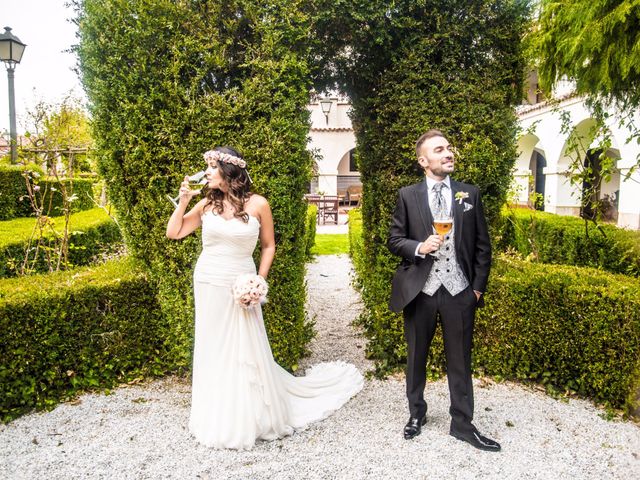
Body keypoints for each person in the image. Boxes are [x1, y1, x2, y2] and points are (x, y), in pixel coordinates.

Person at [166, 146, 363, 450]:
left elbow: (269, 246)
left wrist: (258, 280)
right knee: (212, 344)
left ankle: (249, 414)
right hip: (208, 280)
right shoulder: (206, 204)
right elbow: (174, 233)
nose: (206, 173)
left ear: (229, 171)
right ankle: (215, 412)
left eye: (211, 167)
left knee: (245, 347)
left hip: (241, 281)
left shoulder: (259, 204)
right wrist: (182, 202)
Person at [387, 130, 500, 452]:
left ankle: (463, 424)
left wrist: (476, 290)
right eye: (440, 150)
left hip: (459, 291)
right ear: (424, 161)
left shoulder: (469, 194)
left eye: (449, 148)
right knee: (416, 358)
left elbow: (482, 248)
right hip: (421, 291)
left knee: (460, 361)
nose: (448, 153)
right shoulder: (408, 196)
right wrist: (419, 247)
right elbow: (395, 240)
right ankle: (416, 414)